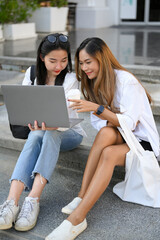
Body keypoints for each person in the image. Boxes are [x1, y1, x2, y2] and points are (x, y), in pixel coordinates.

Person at [45, 37, 160, 240]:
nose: (84, 68)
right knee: (106, 133)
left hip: (142, 142)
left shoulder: (126, 81)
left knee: (108, 153)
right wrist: (103, 115)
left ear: (101, 58)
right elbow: (101, 126)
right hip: (119, 134)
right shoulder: (93, 82)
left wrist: (98, 109)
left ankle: (77, 218)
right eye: (81, 63)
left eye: (88, 62)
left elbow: (130, 122)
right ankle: (81, 196)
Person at [0, 33, 86, 232]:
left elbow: (68, 121)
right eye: (53, 60)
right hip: (40, 132)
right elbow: (24, 107)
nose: (59, 66)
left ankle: (32, 200)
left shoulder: (71, 79)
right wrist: (30, 121)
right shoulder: (31, 74)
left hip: (70, 133)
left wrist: (53, 125)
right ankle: (11, 202)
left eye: (64, 60)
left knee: (52, 133)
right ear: (41, 57)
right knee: (38, 134)